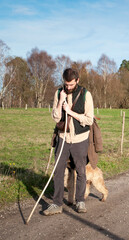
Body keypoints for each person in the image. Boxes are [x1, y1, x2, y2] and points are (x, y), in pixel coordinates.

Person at [43, 68, 94, 215]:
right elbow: (55, 117)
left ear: (77, 80)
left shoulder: (86, 94)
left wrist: (71, 112)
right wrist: (60, 102)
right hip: (63, 137)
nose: (68, 87)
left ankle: (80, 202)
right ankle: (57, 204)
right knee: (58, 171)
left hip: (80, 139)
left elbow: (89, 119)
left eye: (71, 84)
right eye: (66, 84)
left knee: (81, 171)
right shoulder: (59, 92)